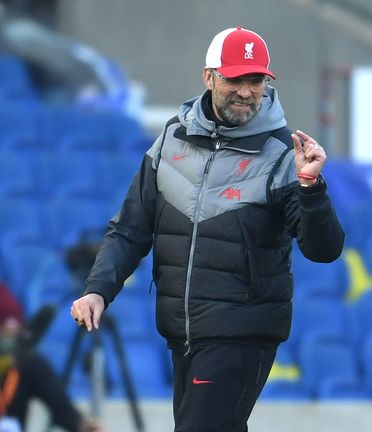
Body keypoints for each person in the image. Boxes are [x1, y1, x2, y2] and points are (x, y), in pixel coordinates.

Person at [69, 27, 345, 431]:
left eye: (256, 80)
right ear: (209, 77)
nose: (247, 92)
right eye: (236, 78)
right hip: (182, 333)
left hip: (241, 332)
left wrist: (311, 188)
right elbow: (130, 229)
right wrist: (98, 290)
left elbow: (324, 249)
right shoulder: (170, 139)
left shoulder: (284, 153)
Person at [0, 283, 101, 432]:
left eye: (14, 331)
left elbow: (59, 403)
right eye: (4, 330)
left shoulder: (24, 364)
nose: (10, 337)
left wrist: (82, 426)